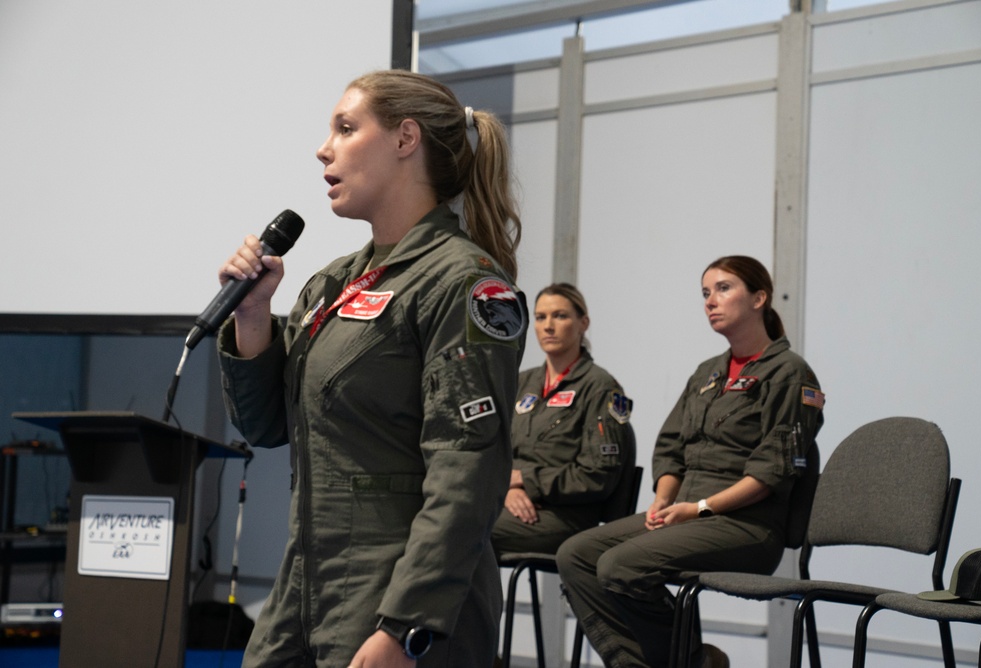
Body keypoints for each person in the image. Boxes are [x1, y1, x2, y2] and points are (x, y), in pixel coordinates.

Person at [216, 70, 528, 668]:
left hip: (398, 596)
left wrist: (407, 627)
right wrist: (253, 317)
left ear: (405, 139)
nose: (323, 148)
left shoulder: (462, 283)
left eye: (346, 127)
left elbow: (468, 472)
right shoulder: (332, 282)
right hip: (306, 581)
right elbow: (266, 426)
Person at [556, 255, 825, 668]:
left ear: (759, 298)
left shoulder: (789, 373)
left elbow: (772, 471)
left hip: (748, 524)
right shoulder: (708, 372)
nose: (710, 301)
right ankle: (677, 662)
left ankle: (686, 662)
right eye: (705, 293)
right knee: (575, 554)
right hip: (688, 513)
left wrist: (698, 508)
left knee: (619, 565)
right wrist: (665, 500)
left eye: (723, 289)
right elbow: (670, 447)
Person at [491, 283, 633, 558]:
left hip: (565, 517)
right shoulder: (523, 382)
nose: (548, 326)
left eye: (560, 316)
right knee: (441, 523)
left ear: (583, 323)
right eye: (541, 317)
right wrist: (506, 488)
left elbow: (598, 474)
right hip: (507, 505)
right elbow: (494, 449)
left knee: (462, 530)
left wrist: (526, 480)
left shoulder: (600, 387)